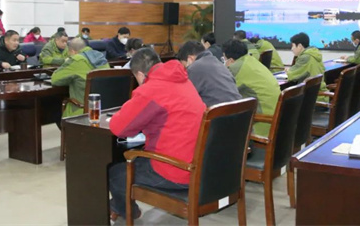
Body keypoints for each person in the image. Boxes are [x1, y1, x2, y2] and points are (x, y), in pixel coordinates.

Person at [108, 48, 205, 220]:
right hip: (201, 165)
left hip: (176, 170)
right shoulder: (183, 80)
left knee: (116, 173)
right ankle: (119, 206)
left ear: (140, 74)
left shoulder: (151, 89)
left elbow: (119, 128)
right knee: (135, 160)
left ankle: (129, 212)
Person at [223, 39, 281, 136]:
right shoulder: (251, 60)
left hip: (262, 122)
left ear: (231, 60)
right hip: (276, 116)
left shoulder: (235, 68)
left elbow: (223, 91)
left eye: (224, 58)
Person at [51, 38, 110, 118]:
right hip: (104, 110)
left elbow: (55, 80)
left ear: (73, 51)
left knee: (55, 108)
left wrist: (66, 63)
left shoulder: (76, 60)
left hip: (82, 111)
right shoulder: (101, 57)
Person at [177, 41, 242, 107]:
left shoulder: (193, 68)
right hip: (240, 108)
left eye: (184, 66)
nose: (185, 69)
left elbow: (185, 97)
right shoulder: (218, 63)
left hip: (219, 111)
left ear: (190, 59)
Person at [286, 32, 329, 102]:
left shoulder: (305, 57)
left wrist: (287, 71)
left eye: (293, 46)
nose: (292, 49)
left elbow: (291, 76)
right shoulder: (314, 54)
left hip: (313, 98)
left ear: (299, 46)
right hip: (320, 94)